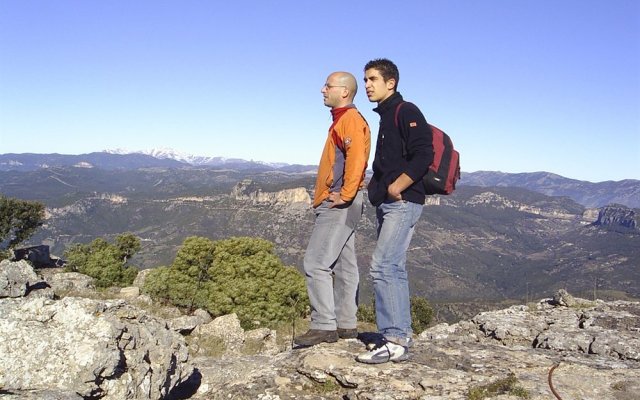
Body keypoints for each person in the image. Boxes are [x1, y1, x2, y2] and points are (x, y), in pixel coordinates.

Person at [355, 58, 434, 364]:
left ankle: (395, 338)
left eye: (373, 79)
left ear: (391, 83)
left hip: (402, 202)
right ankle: (398, 337)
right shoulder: (387, 116)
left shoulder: (406, 110)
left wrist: (396, 187)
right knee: (394, 267)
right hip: (391, 203)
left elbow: (423, 153)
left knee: (383, 266)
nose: (367, 85)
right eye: (365, 80)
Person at [294, 71, 371, 346]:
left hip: (339, 202)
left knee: (316, 263)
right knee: (345, 263)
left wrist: (346, 193)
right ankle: (347, 324)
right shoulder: (343, 120)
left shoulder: (349, 120)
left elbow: (357, 158)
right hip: (346, 202)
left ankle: (324, 325)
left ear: (344, 92)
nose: (322, 90)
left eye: (328, 86)